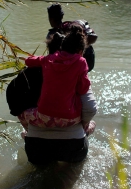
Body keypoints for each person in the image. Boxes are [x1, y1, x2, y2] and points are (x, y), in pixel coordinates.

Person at [11, 24, 96, 164]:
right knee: (91, 124)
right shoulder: (81, 62)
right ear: (81, 51)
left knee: (22, 112)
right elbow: (84, 92)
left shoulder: (47, 60)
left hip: (43, 117)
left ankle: (27, 134)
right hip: (70, 120)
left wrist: (33, 60)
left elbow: (29, 61)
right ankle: (86, 129)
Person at [46, 3, 97, 72]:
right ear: (62, 16)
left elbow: (52, 57)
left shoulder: (52, 35)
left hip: (74, 65)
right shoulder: (76, 26)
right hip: (89, 60)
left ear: (51, 19)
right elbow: (94, 36)